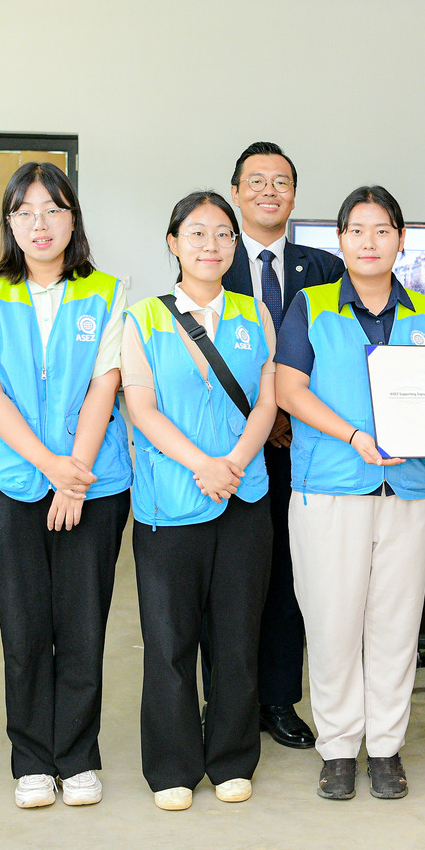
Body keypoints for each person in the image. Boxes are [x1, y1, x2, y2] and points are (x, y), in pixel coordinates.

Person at [0, 162, 133, 809]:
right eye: (25, 211)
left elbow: (103, 386)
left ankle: (77, 756)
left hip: (96, 484)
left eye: (53, 210)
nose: (39, 223)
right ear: (8, 223)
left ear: (73, 219)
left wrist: (74, 476)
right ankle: (32, 758)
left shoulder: (109, 291)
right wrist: (50, 467)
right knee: (24, 629)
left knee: (82, 626)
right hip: (8, 485)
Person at [275, 186, 425, 800]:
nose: (370, 241)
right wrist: (353, 436)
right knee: (331, 622)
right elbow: (289, 390)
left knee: (396, 623)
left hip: (408, 489)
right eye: (357, 230)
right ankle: (339, 747)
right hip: (330, 487)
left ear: (401, 239)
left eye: (383, 230)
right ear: (342, 241)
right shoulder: (311, 305)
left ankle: (385, 747)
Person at [123, 191, 278, 811]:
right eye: (197, 233)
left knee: (237, 639)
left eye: (222, 234)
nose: (210, 245)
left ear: (234, 246)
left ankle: (233, 759)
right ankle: (172, 767)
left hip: (244, 498)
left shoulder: (254, 313)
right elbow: (141, 408)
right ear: (173, 242)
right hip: (169, 503)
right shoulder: (142, 318)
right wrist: (203, 466)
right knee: (168, 642)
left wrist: (234, 463)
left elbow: (268, 399)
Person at [221, 141, 345, 750]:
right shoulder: (214, 258)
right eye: (257, 181)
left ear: (294, 195)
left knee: (291, 580)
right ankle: (227, 706)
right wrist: (262, 418)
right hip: (235, 448)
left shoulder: (322, 267)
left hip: (306, 448)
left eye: (282, 182)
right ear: (237, 191)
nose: (269, 190)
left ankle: (277, 699)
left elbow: (339, 353)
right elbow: (204, 356)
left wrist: (295, 415)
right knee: (234, 582)